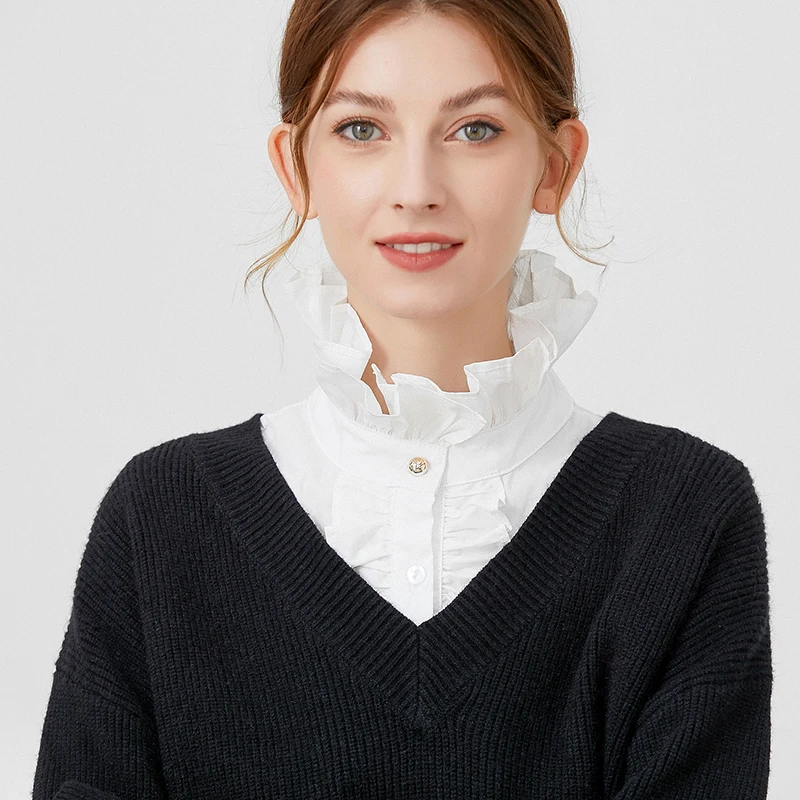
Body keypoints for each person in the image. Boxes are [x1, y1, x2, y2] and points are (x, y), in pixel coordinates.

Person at [32, 1, 773, 798]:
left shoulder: (683, 514)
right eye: (361, 129)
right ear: (296, 167)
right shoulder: (163, 517)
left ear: (555, 166)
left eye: (475, 130)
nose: (416, 189)